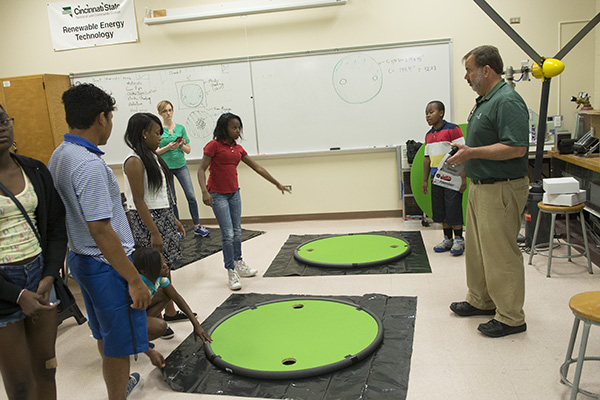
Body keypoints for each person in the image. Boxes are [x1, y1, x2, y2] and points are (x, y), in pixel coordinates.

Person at [48, 83, 151, 399]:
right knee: (118, 346)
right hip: (106, 264)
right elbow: (102, 231)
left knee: (106, 334)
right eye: (110, 117)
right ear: (102, 118)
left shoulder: (60, 155)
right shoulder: (90, 166)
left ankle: (119, 386)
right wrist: (133, 279)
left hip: (81, 259)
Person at [448, 45, 530, 338]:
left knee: (500, 253)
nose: (466, 76)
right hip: (480, 186)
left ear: (486, 70)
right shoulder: (485, 101)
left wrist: (471, 153)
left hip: (502, 188)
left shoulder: (507, 101)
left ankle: (510, 316)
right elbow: (485, 144)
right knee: (478, 249)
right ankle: (480, 299)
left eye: (469, 70)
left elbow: (517, 147)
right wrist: (466, 155)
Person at [0, 104, 67, 400]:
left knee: (47, 367)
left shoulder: (35, 169)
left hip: (40, 277)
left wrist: (50, 274)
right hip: (4, 287)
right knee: (20, 384)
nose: (1, 128)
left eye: (3, 120)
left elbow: (55, 227)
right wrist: (16, 295)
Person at [198, 113, 291, 290]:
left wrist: (277, 183)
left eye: (239, 127)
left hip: (234, 193)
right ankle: (230, 270)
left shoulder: (238, 149)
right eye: (233, 127)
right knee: (228, 234)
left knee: (237, 231)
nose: (237, 130)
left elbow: (257, 167)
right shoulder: (213, 146)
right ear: (224, 128)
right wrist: (204, 192)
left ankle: (238, 262)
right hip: (217, 194)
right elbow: (201, 170)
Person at [123, 113, 190, 336]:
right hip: (148, 222)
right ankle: (151, 321)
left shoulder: (154, 157)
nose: (160, 137)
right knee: (153, 270)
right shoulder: (134, 161)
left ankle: (169, 312)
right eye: (156, 132)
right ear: (144, 133)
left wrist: (174, 219)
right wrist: (154, 231)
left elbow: (160, 195)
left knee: (165, 266)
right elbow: (140, 200)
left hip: (163, 216)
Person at [131, 247, 212, 369]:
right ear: (144, 272)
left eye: (163, 262)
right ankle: (131, 342)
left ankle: (140, 335)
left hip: (137, 313)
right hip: (122, 320)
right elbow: (127, 319)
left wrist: (196, 325)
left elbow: (177, 298)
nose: (165, 266)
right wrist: (148, 351)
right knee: (160, 326)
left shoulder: (158, 278)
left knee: (165, 294)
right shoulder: (139, 289)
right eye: (160, 265)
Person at [156, 100, 210, 238]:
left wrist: (180, 145)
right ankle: (177, 229)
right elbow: (155, 152)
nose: (168, 113)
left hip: (180, 165)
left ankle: (197, 226)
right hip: (166, 167)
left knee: (191, 196)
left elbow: (188, 150)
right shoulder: (158, 129)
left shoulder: (180, 128)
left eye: (170, 110)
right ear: (160, 113)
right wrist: (169, 147)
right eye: (165, 111)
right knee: (172, 199)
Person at [421, 100, 466, 256]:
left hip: (452, 177)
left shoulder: (453, 130)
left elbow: (461, 154)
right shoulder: (428, 136)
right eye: (426, 113)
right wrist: (425, 180)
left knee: (453, 207)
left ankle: (459, 239)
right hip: (436, 179)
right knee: (441, 210)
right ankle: (447, 239)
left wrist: (463, 179)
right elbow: (427, 159)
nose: (427, 116)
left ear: (441, 113)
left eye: (431, 112)